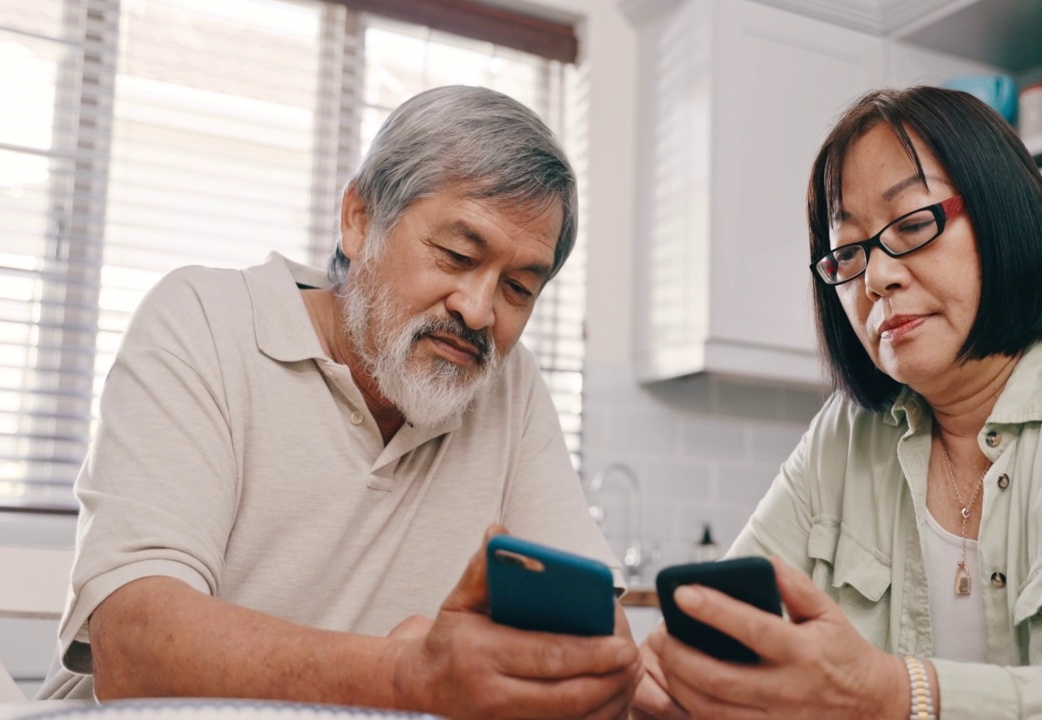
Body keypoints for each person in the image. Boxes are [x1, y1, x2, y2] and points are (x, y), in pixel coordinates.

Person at [633, 85, 1042, 718]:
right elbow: (720, 627)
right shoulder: (844, 436)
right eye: (847, 253)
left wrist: (905, 696)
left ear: (1005, 211)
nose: (877, 276)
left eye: (913, 224)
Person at [38, 85, 642, 719]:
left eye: (519, 288)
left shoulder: (509, 386)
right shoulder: (201, 320)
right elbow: (133, 647)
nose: (479, 309)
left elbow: (596, 629)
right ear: (359, 219)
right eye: (459, 255)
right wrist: (407, 678)